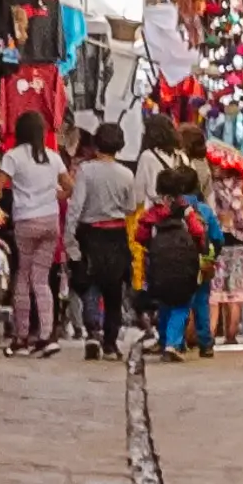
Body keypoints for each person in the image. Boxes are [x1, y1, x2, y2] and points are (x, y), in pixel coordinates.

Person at [66, 127, 140, 354]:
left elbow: (76, 206)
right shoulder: (127, 174)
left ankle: (92, 332)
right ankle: (110, 342)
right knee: (114, 289)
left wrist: (69, 238)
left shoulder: (86, 171)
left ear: (96, 146)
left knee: (90, 284)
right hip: (117, 235)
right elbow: (130, 207)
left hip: (90, 233)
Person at [0, 125, 64, 351]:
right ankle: (46, 334)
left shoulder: (12, 157)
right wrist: (53, 197)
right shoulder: (53, 157)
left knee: (24, 275)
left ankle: (22, 335)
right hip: (50, 221)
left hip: (25, 221)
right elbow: (70, 187)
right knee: (42, 279)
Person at [140, 177, 209, 358]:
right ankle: (172, 342)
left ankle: (164, 341)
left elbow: (140, 234)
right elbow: (198, 231)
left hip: (158, 260)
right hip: (184, 259)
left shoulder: (154, 210)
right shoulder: (185, 209)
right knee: (182, 302)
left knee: (164, 301)